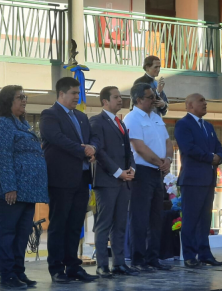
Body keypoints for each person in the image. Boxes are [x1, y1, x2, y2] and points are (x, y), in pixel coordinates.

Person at [0, 85, 49, 289]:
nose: (24, 100)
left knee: (22, 233)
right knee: (7, 232)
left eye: (25, 97)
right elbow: (2, 158)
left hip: (28, 191)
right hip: (10, 190)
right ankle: (6, 275)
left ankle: (18, 272)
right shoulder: (2, 124)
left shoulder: (22, 124)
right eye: (19, 97)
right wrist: (9, 187)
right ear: (7, 101)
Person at [40, 77, 99, 283]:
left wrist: (93, 148)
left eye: (78, 93)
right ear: (61, 94)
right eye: (74, 93)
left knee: (75, 225)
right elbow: (57, 138)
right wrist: (84, 150)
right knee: (59, 225)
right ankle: (56, 268)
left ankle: (73, 267)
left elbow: (93, 138)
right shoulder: (49, 115)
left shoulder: (82, 117)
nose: (77, 97)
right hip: (61, 179)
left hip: (82, 178)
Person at [123, 83, 173, 272]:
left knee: (156, 217)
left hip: (157, 172)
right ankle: (138, 260)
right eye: (150, 97)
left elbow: (168, 142)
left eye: (153, 96)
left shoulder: (157, 118)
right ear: (139, 100)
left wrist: (168, 159)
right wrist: (160, 162)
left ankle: (153, 258)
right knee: (140, 218)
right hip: (142, 172)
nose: (154, 100)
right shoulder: (132, 118)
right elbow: (139, 147)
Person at [89, 86, 138, 278]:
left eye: (120, 96)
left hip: (124, 182)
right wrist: (118, 172)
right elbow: (99, 151)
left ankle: (119, 263)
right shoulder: (97, 121)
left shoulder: (121, 123)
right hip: (107, 181)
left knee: (120, 224)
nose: (120, 100)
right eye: (116, 97)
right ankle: (102, 265)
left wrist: (132, 168)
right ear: (105, 102)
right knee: (104, 224)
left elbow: (128, 152)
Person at [174, 93, 222, 268]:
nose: (205, 103)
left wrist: (219, 156)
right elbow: (189, 148)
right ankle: (189, 255)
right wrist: (210, 157)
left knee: (205, 219)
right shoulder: (183, 124)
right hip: (192, 180)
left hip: (208, 179)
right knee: (190, 218)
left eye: (205, 100)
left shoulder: (209, 126)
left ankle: (204, 254)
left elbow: (219, 147)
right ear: (189, 105)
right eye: (201, 101)